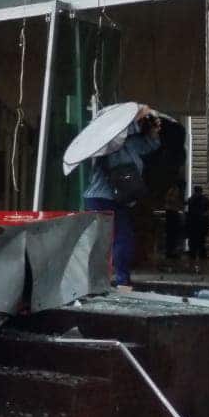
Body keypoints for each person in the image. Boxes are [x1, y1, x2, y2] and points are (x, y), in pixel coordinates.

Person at [83, 106, 161, 290]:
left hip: (115, 198)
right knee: (113, 238)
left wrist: (153, 130)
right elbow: (124, 136)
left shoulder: (128, 142)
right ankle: (116, 279)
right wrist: (140, 116)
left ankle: (114, 278)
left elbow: (150, 145)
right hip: (103, 197)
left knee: (117, 238)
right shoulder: (104, 140)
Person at [186, 184, 209, 264]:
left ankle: (193, 254)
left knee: (194, 240)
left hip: (193, 223)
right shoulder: (205, 199)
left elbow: (189, 211)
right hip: (201, 223)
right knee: (201, 240)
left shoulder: (191, 199)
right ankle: (201, 254)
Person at [163, 183, 185, 261]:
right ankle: (171, 252)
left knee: (172, 236)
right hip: (172, 215)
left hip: (172, 215)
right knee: (172, 236)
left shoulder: (170, 198)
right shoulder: (171, 199)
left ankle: (171, 251)